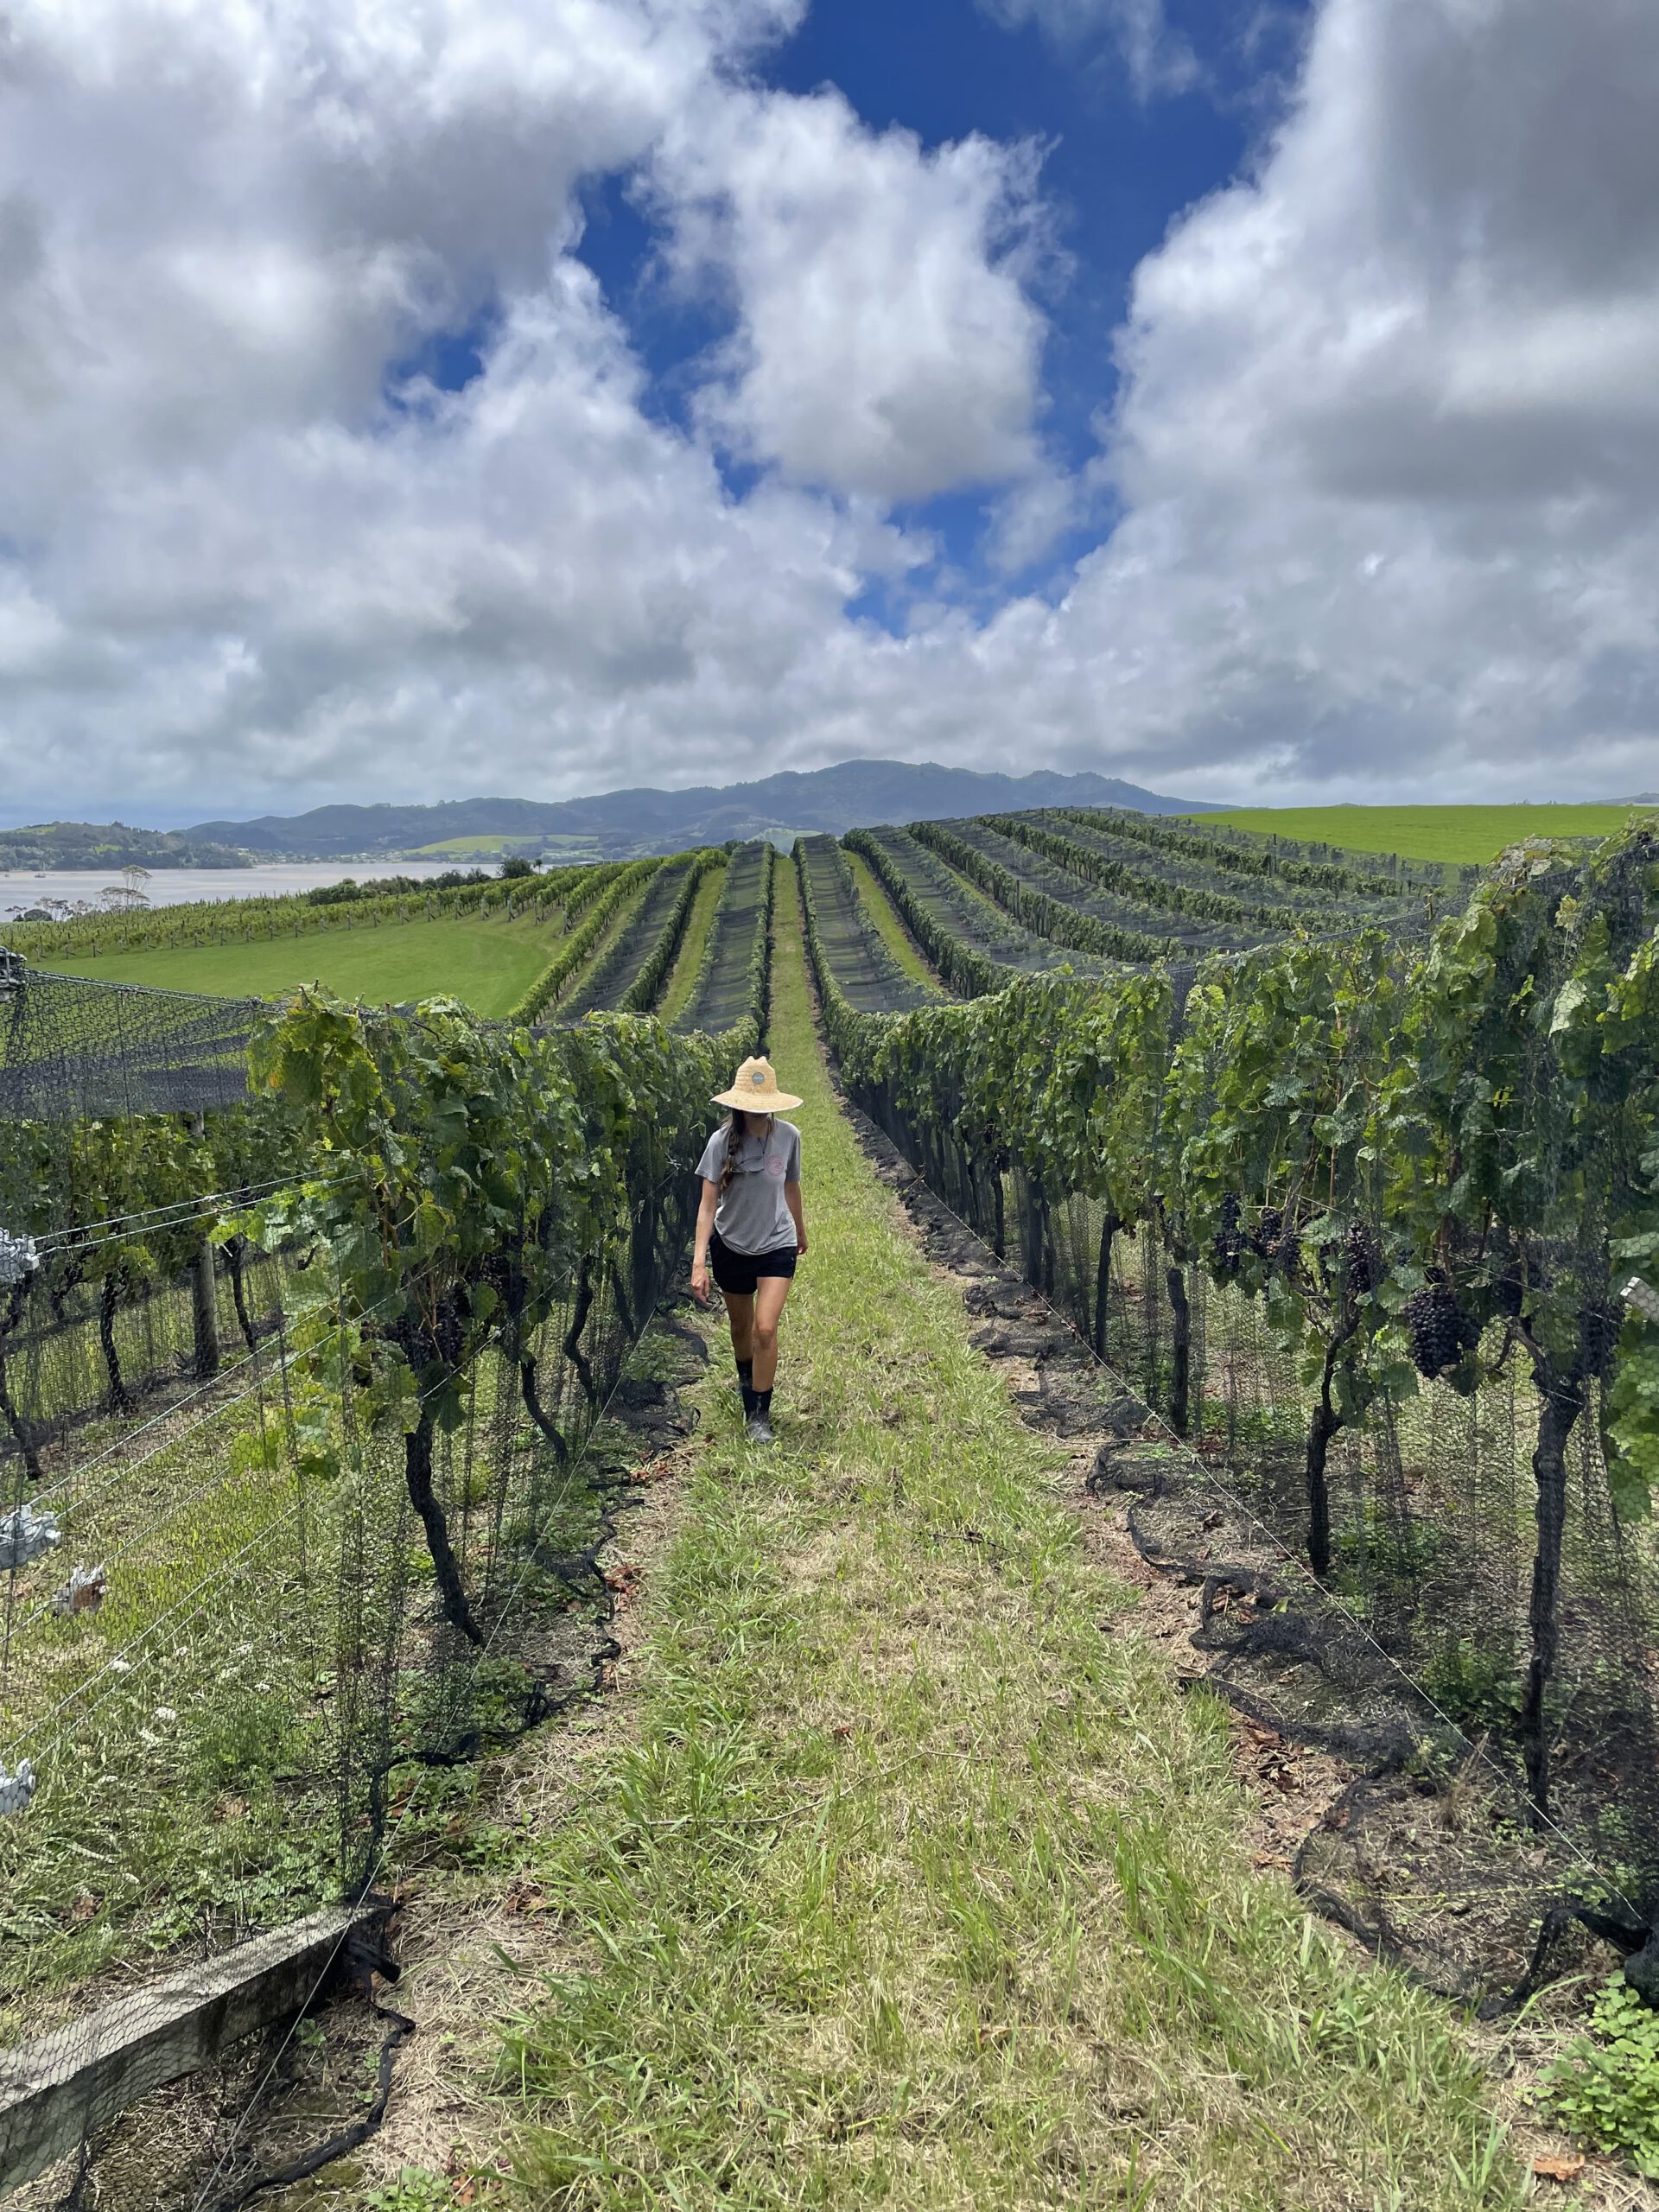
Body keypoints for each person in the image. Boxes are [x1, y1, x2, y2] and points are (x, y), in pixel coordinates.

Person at [691, 1055, 807, 1444]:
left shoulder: (789, 1136)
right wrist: (699, 1263)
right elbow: (708, 1206)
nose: (757, 1113)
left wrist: (800, 1230)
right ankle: (746, 1381)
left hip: (777, 1242)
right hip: (733, 1246)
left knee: (765, 1327)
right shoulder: (720, 1143)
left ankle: (760, 1414)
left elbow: (791, 1186)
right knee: (740, 1326)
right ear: (738, 1104)